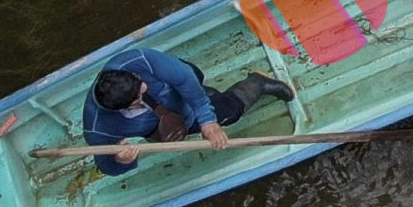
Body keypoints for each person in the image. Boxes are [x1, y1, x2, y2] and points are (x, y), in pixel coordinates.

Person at [83, 48, 293, 175]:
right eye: (139, 98)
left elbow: (184, 79)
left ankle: (251, 84)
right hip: (172, 122)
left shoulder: (136, 60)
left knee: (199, 81)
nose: (145, 88)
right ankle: (255, 83)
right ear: (125, 108)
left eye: (141, 84)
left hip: (177, 85)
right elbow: (106, 167)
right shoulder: (98, 128)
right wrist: (122, 161)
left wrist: (208, 121)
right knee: (227, 111)